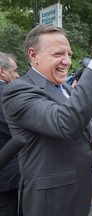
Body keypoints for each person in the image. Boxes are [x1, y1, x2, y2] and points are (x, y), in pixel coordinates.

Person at [1, 12, 92, 216]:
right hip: (50, 200)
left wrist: (91, 143)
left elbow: (61, 132)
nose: (67, 61)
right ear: (33, 55)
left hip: (76, 192)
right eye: (58, 54)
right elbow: (65, 122)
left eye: (69, 55)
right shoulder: (19, 90)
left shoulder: (66, 89)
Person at [0, 52, 20, 216]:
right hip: (8, 175)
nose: (17, 75)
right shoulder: (9, 95)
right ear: (2, 71)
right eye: (14, 70)